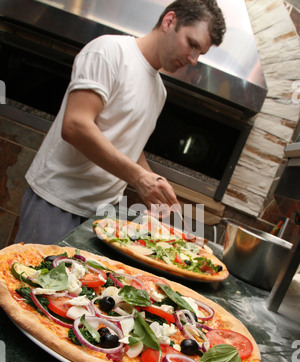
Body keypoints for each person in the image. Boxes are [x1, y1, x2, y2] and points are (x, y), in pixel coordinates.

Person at [15, 0, 226, 244]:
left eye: (200, 53)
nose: (193, 59)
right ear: (170, 21)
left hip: (101, 217)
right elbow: (75, 126)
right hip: (57, 203)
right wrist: (138, 178)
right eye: (192, 44)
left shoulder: (159, 91)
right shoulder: (109, 51)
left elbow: (129, 146)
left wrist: (154, 186)